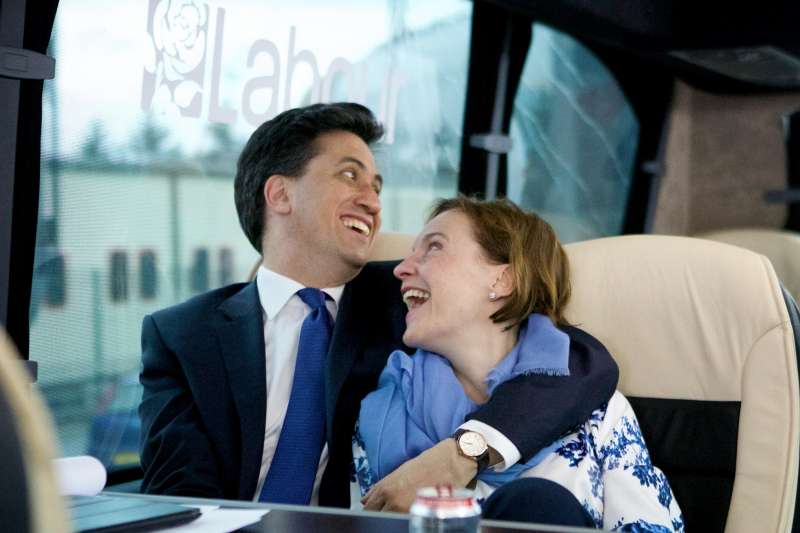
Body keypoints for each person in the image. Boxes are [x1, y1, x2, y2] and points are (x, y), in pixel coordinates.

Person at [138, 102, 619, 510]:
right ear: (279, 193)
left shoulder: (409, 300)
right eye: (350, 175)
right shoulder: (181, 335)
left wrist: (461, 453)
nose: (372, 202)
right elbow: (178, 496)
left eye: (378, 186)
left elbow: (577, 363)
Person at [355, 197, 684, 530]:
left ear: (503, 281)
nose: (401, 268)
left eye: (434, 247)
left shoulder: (600, 415)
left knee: (537, 503)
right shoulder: (379, 415)